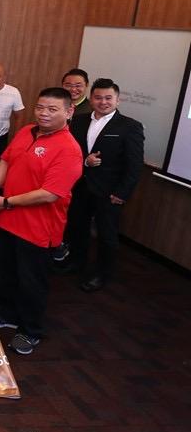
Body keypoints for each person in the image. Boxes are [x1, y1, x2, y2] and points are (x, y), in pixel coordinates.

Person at [0, 87, 83, 356]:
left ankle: (30, 331)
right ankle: (8, 314)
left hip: (38, 229)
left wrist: (7, 202)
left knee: (32, 282)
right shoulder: (27, 132)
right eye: (40, 107)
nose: (44, 114)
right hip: (9, 221)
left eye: (52, 109)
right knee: (7, 272)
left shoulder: (69, 149)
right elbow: (5, 161)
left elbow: (49, 194)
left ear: (69, 112)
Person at [65, 79, 144, 291]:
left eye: (108, 98)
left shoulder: (130, 126)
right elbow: (70, 153)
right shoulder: (78, 121)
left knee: (106, 235)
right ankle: (76, 262)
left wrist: (122, 193)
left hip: (109, 192)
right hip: (80, 187)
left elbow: (134, 165)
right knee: (77, 227)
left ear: (118, 100)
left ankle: (101, 274)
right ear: (91, 99)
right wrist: (84, 161)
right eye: (98, 97)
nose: (103, 102)